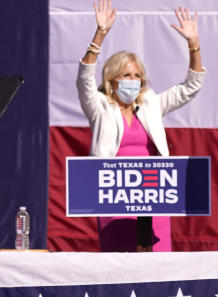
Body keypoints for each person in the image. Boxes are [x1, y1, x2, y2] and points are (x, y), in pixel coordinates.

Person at [78, 1, 205, 252]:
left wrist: (193, 45)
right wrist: (100, 34)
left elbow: (191, 87)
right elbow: (84, 79)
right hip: (115, 197)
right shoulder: (99, 106)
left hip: (153, 197)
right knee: (120, 267)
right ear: (112, 79)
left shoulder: (150, 104)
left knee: (157, 268)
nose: (133, 81)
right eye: (126, 75)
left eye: (137, 76)